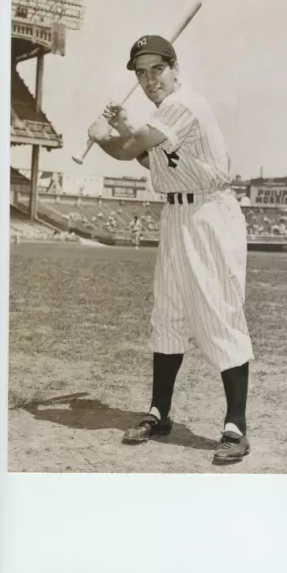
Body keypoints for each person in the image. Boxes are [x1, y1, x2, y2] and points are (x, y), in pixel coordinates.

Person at [87, 35, 253, 463]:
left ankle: (236, 425)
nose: (148, 79)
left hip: (209, 215)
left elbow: (128, 152)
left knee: (219, 313)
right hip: (177, 216)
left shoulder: (186, 104)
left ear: (175, 68)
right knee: (169, 314)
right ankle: (160, 412)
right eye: (141, 73)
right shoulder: (166, 114)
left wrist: (102, 135)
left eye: (156, 69)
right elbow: (152, 160)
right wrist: (126, 126)